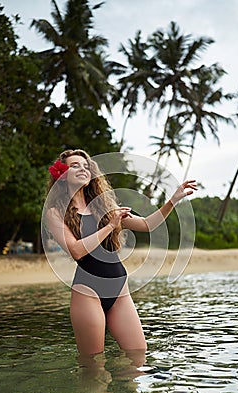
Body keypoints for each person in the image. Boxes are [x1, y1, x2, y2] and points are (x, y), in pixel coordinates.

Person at [45, 149, 197, 355]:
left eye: (86, 166)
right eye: (74, 165)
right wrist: (109, 226)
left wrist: (173, 200)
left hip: (119, 290)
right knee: (94, 365)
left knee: (138, 355)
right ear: (62, 176)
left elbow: (146, 225)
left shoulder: (104, 206)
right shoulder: (55, 212)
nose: (82, 168)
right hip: (88, 292)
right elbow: (76, 250)